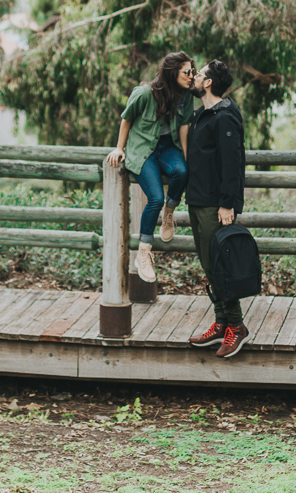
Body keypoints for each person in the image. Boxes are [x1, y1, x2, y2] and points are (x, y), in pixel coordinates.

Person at [106, 52, 196, 283]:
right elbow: (126, 119)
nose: (191, 76)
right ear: (172, 72)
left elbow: (184, 126)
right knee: (155, 198)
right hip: (143, 150)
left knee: (182, 172)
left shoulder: (186, 95)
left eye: (192, 71)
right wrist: (119, 148)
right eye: (187, 72)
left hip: (168, 147)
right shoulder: (144, 93)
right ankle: (144, 251)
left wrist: (186, 156)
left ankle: (169, 212)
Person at [185, 59, 249, 358]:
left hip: (215, 205)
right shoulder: (203, 114)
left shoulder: (225, 116)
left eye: (198, 75)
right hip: (197, 200)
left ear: (208, 82)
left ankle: (236, 326)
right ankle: (221, 321)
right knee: (209, 267)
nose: (194, 78)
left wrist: (227, 203)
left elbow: (232, 161)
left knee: (219, 267)